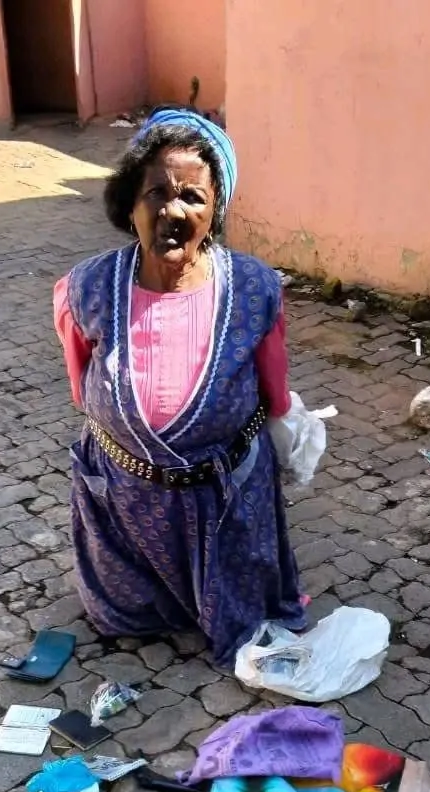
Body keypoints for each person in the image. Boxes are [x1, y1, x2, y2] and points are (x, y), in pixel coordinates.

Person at [53, 107, 305, 667]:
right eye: (156, 194)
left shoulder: (255, 288)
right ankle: (148, 602)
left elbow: (274, 391)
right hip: (127, 499)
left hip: (225, 494)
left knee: (250, 606)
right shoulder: (86, 287)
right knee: (127, 614)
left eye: (193, 196)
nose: (172, 211)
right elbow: (81, 385)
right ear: (130, 204)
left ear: (215, 212)